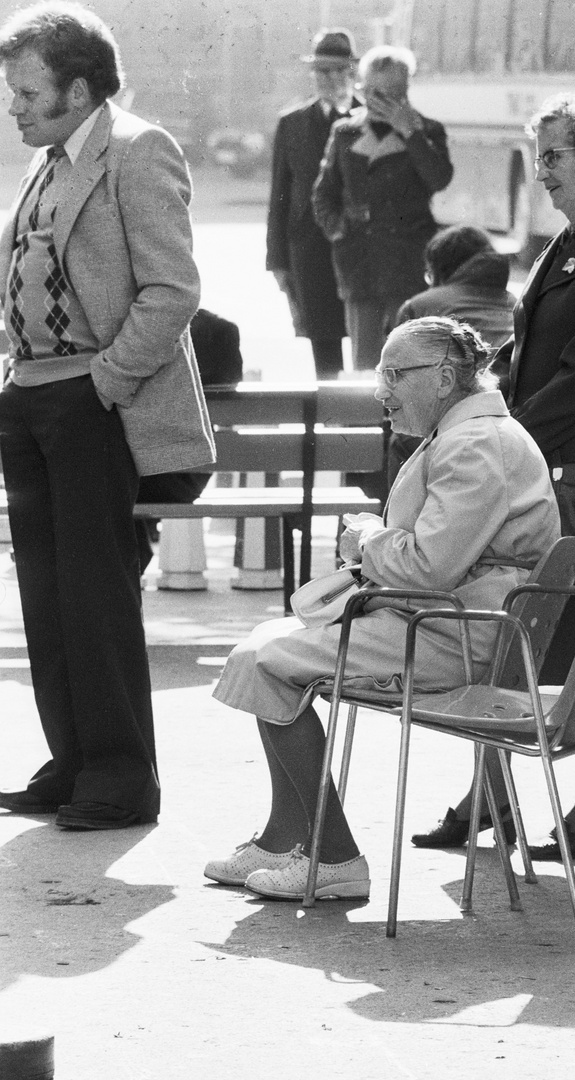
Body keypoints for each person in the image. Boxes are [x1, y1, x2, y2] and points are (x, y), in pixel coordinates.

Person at [203, 316, 560, 896]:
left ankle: (336, 859)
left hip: (451, 633)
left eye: (395, 374)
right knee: (264, 653)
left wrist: (366, 540)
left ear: (445, 377)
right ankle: (282, 837)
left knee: (263, 661)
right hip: (447, 622)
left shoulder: (478, 443)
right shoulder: (472, 434)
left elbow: (427, 566)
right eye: (381, 375)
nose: (382, 391)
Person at [411, 90, 575, 856]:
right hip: (550, 475)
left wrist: (495, 443)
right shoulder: (573, 243)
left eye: (553, 156)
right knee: (513, 632)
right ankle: (488, 797)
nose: (542, 172)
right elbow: (529, 364)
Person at [0, 2, 213, 830]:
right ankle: (76, 762)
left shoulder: (138, 150)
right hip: (32, 398)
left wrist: (103, 383)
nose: (13, 105)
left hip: (92, 404)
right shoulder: (48, 161)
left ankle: (122, 779)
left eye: (26, 90)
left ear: (79, 88)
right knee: (46, 595)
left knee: (95, 597)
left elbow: (172, 292)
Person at [312, 45, 453, 371]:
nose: (381, 101)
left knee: (410, 363)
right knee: (365, 367)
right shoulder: (345, 131)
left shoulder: (428, 130)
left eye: (392, 93)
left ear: (405, 91)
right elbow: (323, 196)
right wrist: (342, 228)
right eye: (374, 91)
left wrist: (410, 133)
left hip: (408, 264)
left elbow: (438, 179)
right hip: (360, 263)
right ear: (361, 88)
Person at [266, 28, 360, 379]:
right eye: (322, 71)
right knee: (323, 344)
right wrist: (276, 260)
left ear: (352, 72)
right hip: (308, 251)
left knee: (367, 344)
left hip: (359, 249)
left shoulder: (371, 119)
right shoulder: (292, 123)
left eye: (338, 70)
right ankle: (334, 427)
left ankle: (365, 426)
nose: (330, 79)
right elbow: (279, 197)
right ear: (312, 75)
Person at [389, 224, 514, 486]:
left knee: (399, 435)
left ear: (437, 270)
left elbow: (395, 385)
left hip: (453, 429)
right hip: (511, 426)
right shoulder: (518, 302)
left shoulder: (420, 307)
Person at [135, 307, 243, 574]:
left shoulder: (139, 326)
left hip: (136, 478)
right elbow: (232, 397)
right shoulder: (224, 332)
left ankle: (134, 557)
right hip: (188, 478)